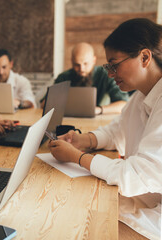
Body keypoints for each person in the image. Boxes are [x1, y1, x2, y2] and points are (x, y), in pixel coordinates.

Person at [48, 18, 161, 240]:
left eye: (114, 64)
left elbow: (135, 175)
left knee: (83, 227)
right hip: (148, 195)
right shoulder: (142, 95)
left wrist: (77, 157)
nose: (110, 73)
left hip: (154, 205)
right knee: (74, 206)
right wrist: (84, 139)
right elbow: (117, 131)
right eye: (108, 67)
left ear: (145, 57)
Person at [40, 42, 129, 115]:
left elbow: (123, 104)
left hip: (99, 121)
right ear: (72, 61)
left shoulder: (106, 75)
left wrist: (98, 110)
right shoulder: (64, 77)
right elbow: (44, 104)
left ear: (94, 60)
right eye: (77, 65)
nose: (81, 69)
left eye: (85, 64)